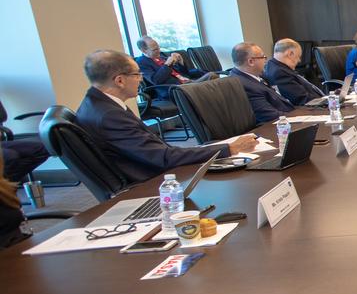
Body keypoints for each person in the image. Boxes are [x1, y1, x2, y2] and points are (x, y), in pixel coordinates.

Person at [75, 49, 256, 186]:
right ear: (119, 80)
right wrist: (227, 149)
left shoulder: (97, 104)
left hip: (157, 171)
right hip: (154, 184)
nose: (141, 79)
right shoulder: (110, 116)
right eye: (137, 74)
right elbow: (162, 158)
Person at [229, 42, 296, 124]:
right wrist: (297, 117)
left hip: (287, 114)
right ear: (251, 61)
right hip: (277, 125)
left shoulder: (257, 75)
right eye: (263, 57)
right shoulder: (244, 85)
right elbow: (269, 115)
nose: (265, 61)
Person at [136, 36, 216, 99]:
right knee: (211, 77)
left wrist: (181, 62)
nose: (159, 51)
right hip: (174, 89)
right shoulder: (142, 62)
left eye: (158, 48)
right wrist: (167, 65)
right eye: (155, 49)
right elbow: (156, 80)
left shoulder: (162, 57)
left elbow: (184, 74)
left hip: (187, 83)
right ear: (144, 50)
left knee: (214, 80)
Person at [264, 38, 325, 105]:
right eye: (298, 56)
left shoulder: (277, 67)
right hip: (312, 107)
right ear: (290, 54)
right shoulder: (279, 73)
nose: (299, 60)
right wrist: (326, 101)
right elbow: (302, 99)